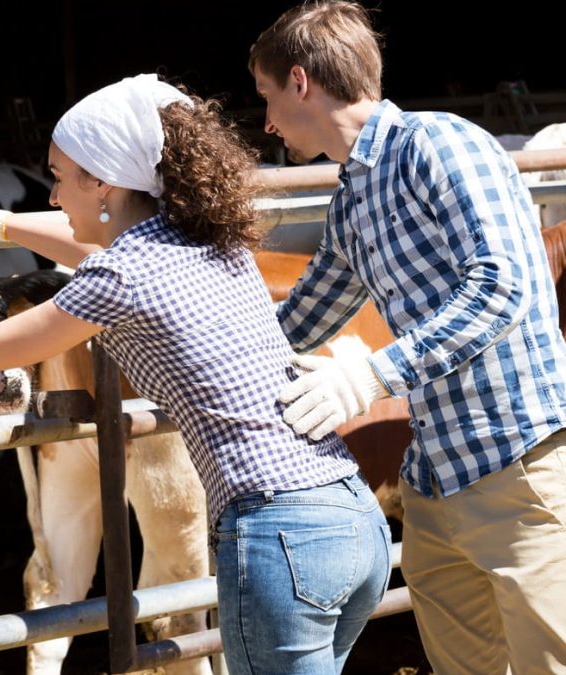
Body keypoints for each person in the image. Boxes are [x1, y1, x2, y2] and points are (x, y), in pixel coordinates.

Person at [0, 73, 390, 674]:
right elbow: (97, 250)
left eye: (60, 178)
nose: (51, 196)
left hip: (278, 536)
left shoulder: (121, 278)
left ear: (103, 183)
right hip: (353, 519)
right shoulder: (208, 238)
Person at [249, 2, 566, 673]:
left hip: (520, 465)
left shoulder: (440, 144)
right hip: (434, 482)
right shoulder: (353, 200)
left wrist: (371, 376)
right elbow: (297, 322)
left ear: (301, 81)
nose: (268, 121)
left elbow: (501, 288)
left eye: (267, 97)